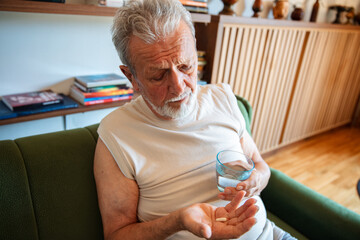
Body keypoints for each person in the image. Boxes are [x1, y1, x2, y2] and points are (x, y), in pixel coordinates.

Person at [94, 0, 295, 239]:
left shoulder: (222, 98)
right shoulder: (116, 134)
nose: (179, 87)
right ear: (132, 77)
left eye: (185, 65)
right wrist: (177, 222)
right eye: (158, 75)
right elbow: (117, 235)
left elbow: (260, 165)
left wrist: (257, 180)